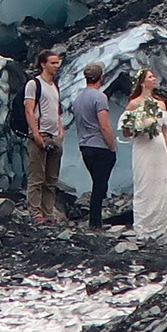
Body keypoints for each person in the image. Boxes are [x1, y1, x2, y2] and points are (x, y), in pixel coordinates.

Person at [119, 67, 167, 240]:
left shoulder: (160, 104)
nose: (154, 79)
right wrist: (139, 126)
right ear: (142, 82)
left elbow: (166, 131)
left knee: (161, 182)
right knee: (144, 183)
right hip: (143, 147)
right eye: (150, 77)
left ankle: (160, 225)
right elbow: (125, 132)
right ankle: (143, 228)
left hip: (159, 148)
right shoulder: (134, 104)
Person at [74, 62, 117, 229]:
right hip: (99, 146)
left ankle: (95, 221)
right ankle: (95, 223)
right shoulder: (99, 98)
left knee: (97, 183)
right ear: (101, 77)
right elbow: (104, 125)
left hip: (85, 146)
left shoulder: (79, 98)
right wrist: (112, 146)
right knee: (100, 186)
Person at [25, 49, 64, 225]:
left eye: (57, 63)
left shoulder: (54, 86)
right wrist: (35, 133)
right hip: (40, 135)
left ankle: (48, 213)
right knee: (37, 177)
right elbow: (29, 110)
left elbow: (56, 111)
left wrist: (60, 130)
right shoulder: (34, 84)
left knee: (51, 179)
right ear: (43, 64)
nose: (57, 66)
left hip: (54, 136)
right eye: (53, 63)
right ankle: (36, 213)